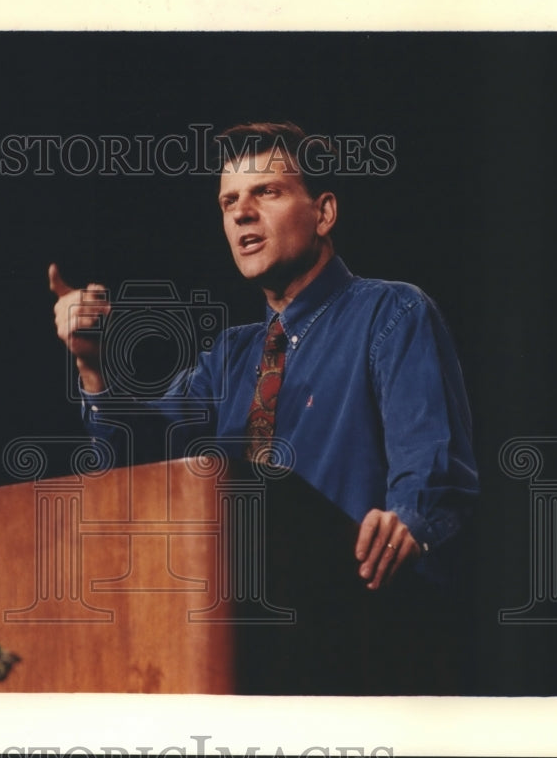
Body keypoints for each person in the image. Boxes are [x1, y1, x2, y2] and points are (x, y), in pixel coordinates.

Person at [49, 121, 478, 593]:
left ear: (324, 213)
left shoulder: (391, 313)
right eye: (228, 202)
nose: (241, 214)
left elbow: (431, 466)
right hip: (240, 624)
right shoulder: (230, 357)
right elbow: (139, 462)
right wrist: (94, 367)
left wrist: (407, 524)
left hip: (357, 619)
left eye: (266, 192)